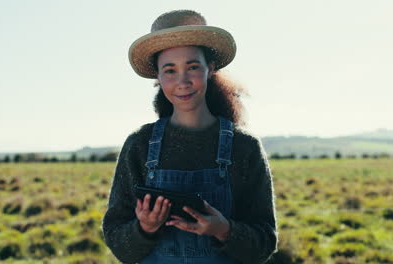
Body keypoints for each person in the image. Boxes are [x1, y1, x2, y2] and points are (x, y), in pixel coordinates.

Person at [102, 9, 278, 264]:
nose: (182, 81)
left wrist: (224, 230)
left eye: (193, 67)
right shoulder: (139, 145)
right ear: (157, 78)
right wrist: (144, 229)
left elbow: (264, 244)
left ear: (211, 69)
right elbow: (119, 243)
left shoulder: (244, 147)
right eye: (170, 70)